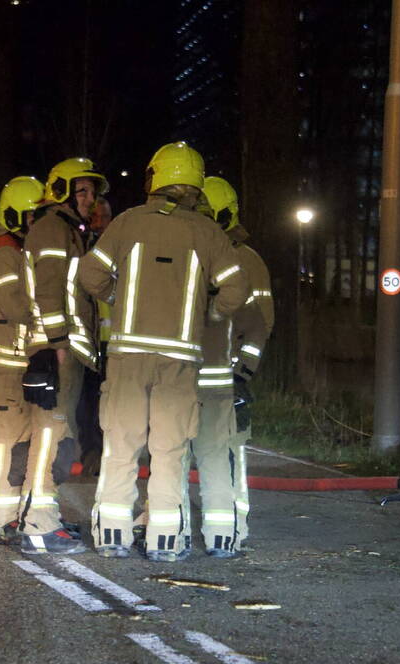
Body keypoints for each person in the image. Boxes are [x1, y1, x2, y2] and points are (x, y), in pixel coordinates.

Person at [79, 141, 248, 562]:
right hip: (179, 362)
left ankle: (113, 536)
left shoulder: (128, 222)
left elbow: (90, 274)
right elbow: (237, 288)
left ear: (156, 178)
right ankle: (164, 541)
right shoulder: (207, 232)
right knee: (170, 451)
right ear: (195, 185)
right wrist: (207, 312)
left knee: (121, 446)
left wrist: (120, 299)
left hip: (128, 358)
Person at [19, 158, 108, 554]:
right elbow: (49, 290)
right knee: (52, 437)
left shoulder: (71, 231)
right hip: (60, 350)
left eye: (92, 191)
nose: (90, 199)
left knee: (59, 436)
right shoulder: (53, 229)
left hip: (69, 349)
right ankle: (38, 523)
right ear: (61, 192)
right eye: (82, 191)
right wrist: (54, 345)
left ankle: (39, 515)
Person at [190, 176, 274, 558]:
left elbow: (260, 324)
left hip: (228, 379)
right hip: (193, 376)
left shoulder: (246, 260)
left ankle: (235, 523)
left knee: (231, 451)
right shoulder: (202, 249)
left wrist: (242, 375)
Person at [0, 176, 41, 546]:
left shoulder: (15, 251)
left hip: (18, 362)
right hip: (6, 364)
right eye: (32, 216)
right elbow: (15, 305)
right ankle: (2, 516)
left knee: (19, 437)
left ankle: (14, 512)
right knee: (5, 438)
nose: (36, 223)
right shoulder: (3, 253)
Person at [77, 197, 113, 476]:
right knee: (86, 401)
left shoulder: (121, 249)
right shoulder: (80, 247)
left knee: (111, 403)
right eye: (94, 217)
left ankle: (110, 454)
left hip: (114, 341)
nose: (98, 222)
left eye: (103, 217)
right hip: (88, 339)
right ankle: (91, 452)